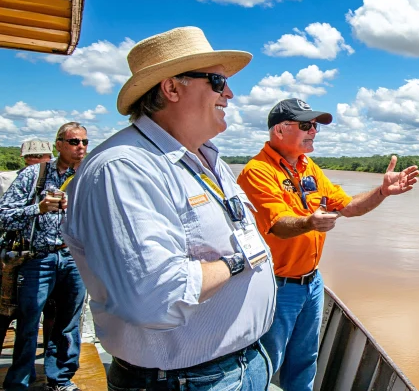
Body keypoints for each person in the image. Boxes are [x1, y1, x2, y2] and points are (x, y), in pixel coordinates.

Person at [61, 26, 277, 391]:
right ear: (172, 88)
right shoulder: (124, 168)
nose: (230, 92)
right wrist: (238, 261)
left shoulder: (207, 159)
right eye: (217, 80)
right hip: (183, 380)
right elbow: (155, 297)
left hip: (240, 364)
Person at [237, 98, 419, 391]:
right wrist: (309, 222)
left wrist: (382, 192)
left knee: (305, 361)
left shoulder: (309, 168)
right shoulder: (258, 172)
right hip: (276, 285)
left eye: (316, 126)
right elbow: (278, 225)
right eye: (306, 125)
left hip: (311, 284)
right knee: (266, 363)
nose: (314, 131)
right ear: (280, 131)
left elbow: (349, 207)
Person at [0, 123, 88, 391]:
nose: (81, 147)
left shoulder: (88, 177)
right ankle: (19, 383)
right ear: (58, 144)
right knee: (28, 324)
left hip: (74, 258)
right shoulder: (33, 175)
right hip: (38, 259)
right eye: (74, 142)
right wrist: (37, 209)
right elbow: (3, 215)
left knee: (67, 324)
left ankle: (60, 379)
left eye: (85, 141)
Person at [0, 138, 57, 365]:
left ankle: (48, 362)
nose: (35, 162)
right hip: (14, 257)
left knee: (50, 310)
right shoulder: (9, 181)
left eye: (40, 158)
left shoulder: (60, 179)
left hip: (46, 256)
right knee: (7, 312)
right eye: (31, 158)